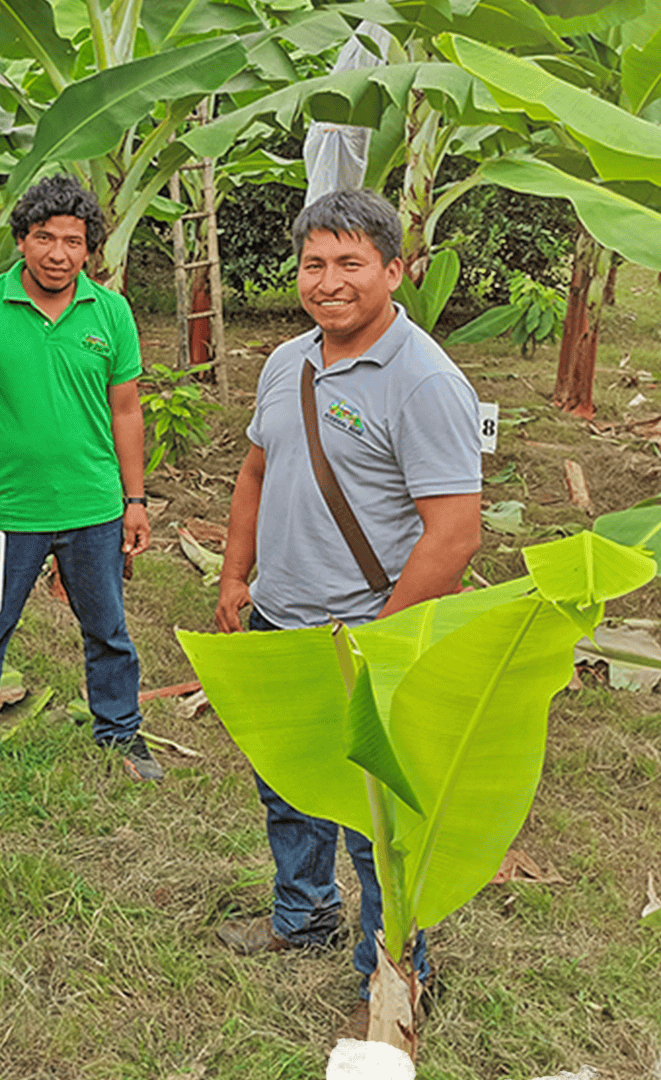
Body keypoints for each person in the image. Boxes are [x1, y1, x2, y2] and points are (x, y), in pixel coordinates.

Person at [211, 190, 482, 1004]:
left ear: (394, 271)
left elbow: (455, 533)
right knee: (289, 784)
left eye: (351, 264)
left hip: (368, 628)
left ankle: (397, 971)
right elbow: (257, 470)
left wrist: (383, 638)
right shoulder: (286, 362)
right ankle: (301, 914)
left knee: (377, 821)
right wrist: (234, 574)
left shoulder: (425, 382)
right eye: (315, 264)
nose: (329, 282)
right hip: (281, 616)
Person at [0, 174, 163, 782]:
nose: (58, 254)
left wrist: (134, 499)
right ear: (21, 241)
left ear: (88, 248)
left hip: (93, 502)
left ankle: (120, 732)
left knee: (108, 628)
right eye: (44, 238)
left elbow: (126, 410)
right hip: (9, 505)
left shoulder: (110, 311)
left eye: (72, 240)